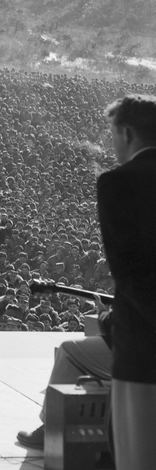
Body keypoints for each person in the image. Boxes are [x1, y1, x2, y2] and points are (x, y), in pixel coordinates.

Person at [96, 94, 156, 469]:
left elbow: (131, 272)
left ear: (128, 132)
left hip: (144, 350)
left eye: (113, 134)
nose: (112, 144)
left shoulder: (118, 183)